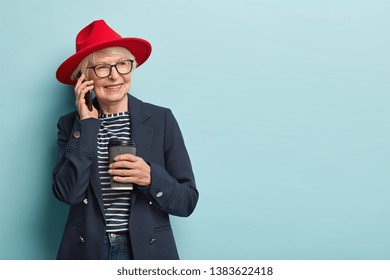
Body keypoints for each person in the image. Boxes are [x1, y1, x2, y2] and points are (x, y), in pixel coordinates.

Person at [52, 19, 199, 260]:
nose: (114, 76)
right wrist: (87, 125)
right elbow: (68, 194)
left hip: (146, 251)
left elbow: (187, 201)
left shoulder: (161, 119)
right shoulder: (70, 125)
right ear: (83, 78)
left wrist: (151, 177)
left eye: (122, 64)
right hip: (87, 251)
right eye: (101, 67)